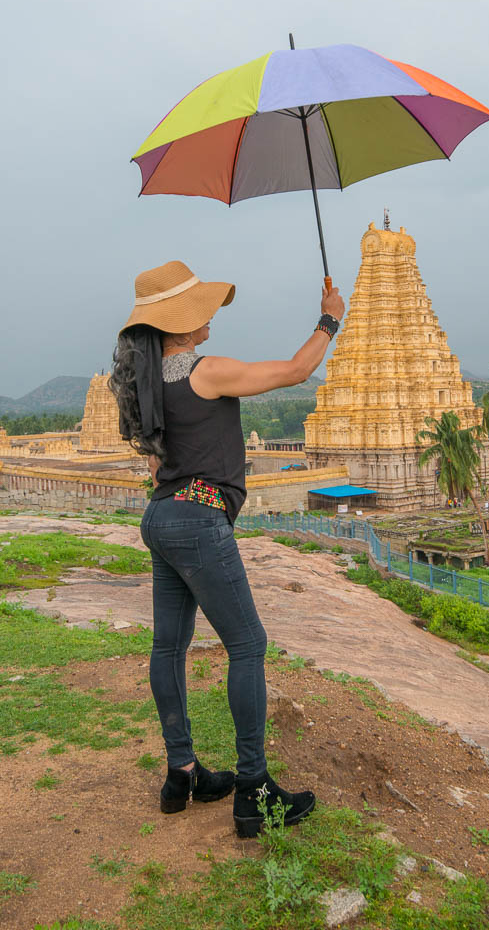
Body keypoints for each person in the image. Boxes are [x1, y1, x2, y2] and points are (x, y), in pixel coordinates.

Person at [109, 260, 344, 838]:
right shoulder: (205, 372)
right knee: (247, 644)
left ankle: (181, 771)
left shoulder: (146, 385)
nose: (211, 312)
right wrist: (330, 320)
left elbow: (160, 461)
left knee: (169, 646)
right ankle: (253, 789)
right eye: (202, 306)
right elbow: (295, 371)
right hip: (197, 521)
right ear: (184, 322)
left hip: (161, 516)